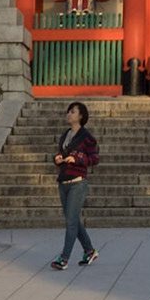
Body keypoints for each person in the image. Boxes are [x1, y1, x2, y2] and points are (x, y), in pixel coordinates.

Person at [50, 101, 99, 270]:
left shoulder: (86, 137)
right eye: (68, 112)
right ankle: (89, 250)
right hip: (63, 180)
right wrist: (58, 158)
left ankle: (64, 258)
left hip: (77, 182)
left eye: (73, 112)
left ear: (81, 116)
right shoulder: (65, 135)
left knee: (71, 221)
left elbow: (94, 159)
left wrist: (78, 159)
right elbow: (61, 152)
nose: (69, 115)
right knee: (73, 220)